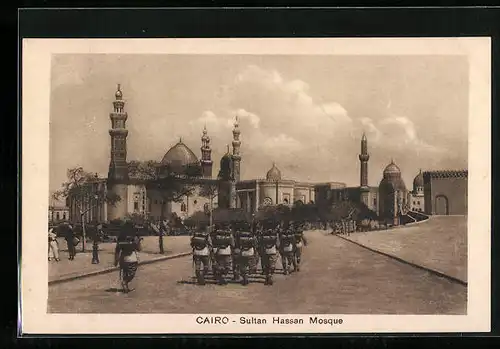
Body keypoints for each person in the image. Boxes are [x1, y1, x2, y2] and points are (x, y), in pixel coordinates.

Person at [114, 221, 142, 293]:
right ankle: (125, 282)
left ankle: (125, 286)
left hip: (123, 258)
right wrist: (138, 242)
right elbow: (139, 249)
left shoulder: (121, 237)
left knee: (125, 273)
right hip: (132, 259)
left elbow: (117, 249)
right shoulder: (134, 237)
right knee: (131, 273)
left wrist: (116, 261)